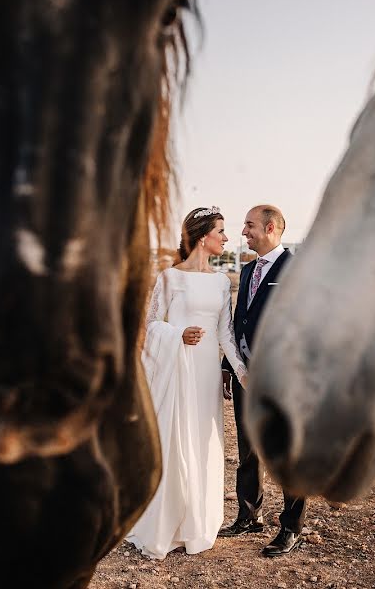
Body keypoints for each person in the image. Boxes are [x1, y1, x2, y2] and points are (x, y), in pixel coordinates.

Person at [127, 206, 249, 560]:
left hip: (206, 373)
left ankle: (196, 523)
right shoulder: (169, 278)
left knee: (203, 441)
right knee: (175, 440)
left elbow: (225, 333)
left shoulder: (221, 281)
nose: (227, 238)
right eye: (221, 231)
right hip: (177, 369)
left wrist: (241, 372)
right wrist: (178, 334)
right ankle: (167, 524)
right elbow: (149, 326)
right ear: (201, 237)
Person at [219, 205, 306, 557]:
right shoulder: (248, 268)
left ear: (270, 228)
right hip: (244, 378)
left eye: (249, 225)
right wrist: (229, 365)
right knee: (248, 450)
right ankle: (248, 514)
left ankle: (291, 528)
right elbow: (241, 321)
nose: (243, 232)